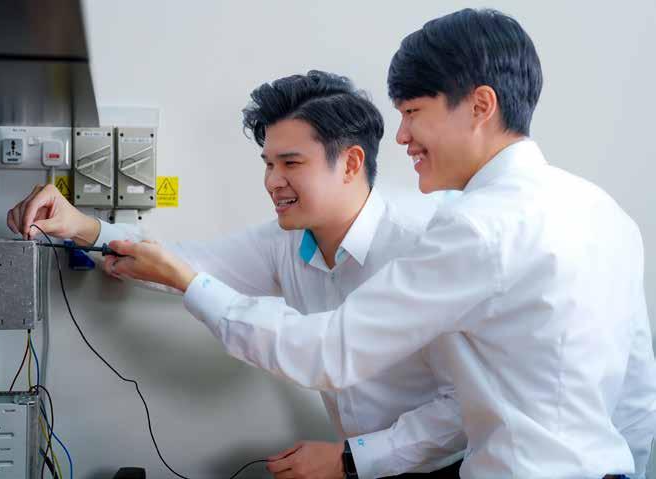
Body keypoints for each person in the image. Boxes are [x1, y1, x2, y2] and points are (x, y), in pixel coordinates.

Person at [90, 8, 656, 479]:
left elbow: (330, 351)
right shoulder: (603, 211)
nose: (402, 135)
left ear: (480, 107)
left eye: (413, 113)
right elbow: (637, 397)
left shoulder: (475, 227)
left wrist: (191, 285)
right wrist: (93, 232)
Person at [8, 71, 467, 478]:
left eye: (291, 163)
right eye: (268, 164)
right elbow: (181, 264)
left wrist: (351, 460)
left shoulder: (423, 245)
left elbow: (464, 407)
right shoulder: (285, 241)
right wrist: (83, 227)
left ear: (350, 163)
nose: (272, 181)